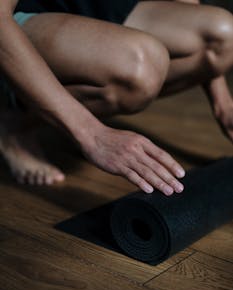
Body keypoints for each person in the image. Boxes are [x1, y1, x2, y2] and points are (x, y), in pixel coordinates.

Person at [0, 0, 232, 196]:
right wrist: (92, 135)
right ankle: (13, 123)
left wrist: (223, 103)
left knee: (224, 37)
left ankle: (27, 111)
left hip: (91, 4)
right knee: (139, 68)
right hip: (19, 16)